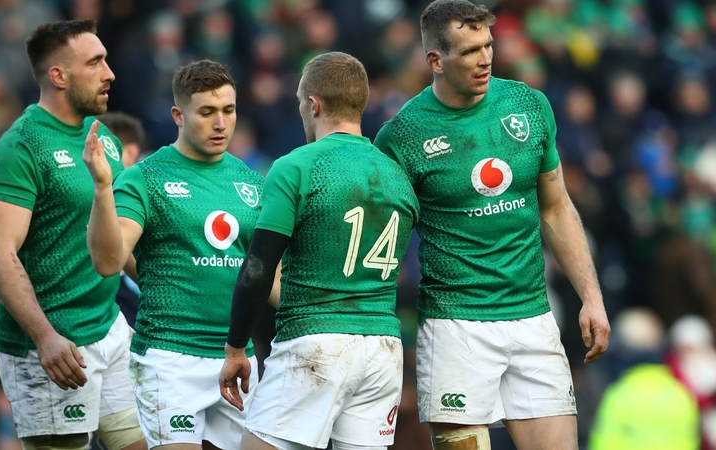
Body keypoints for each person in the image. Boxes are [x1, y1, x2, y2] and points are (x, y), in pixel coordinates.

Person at [373, 1, 611, 449]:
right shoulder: (401, 136)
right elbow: (383, 240)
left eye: (489, 45)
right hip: (454, 327)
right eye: (469, 51)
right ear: (435, 61)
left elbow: (556, 208)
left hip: (533, 320)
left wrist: (591, 298)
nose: (485, 59)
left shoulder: (528, 104)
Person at [219, 51, 419, 450]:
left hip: (315, 341)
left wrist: (236, 346)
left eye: (299, 103)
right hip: (383, 349)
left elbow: (258, 269)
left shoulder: (297, 166)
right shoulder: (398, 176)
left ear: (313, 103)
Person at [0, 20, 146, 450]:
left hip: (110, 330)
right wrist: (44, 336)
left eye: (106, 60)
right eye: (95, 63)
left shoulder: (104, 139)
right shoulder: (21, 148)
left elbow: (122, 242)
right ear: (58, 76)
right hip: (52, 348)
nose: (110, 73)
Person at [84, 60, 267, 450]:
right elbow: (108, 262)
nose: (221, 123)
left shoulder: (252, 181)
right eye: (207, 112)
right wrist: (103, 188)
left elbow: (272, 278)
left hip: (238, 359)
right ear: (178, 115)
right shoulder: (145, 177)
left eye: (228, 111)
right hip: (170, 358)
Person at [96, 111, 147, 327]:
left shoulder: (150, 195)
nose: (96, 158)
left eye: (106, 150)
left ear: (132, 152)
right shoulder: (91, 195)